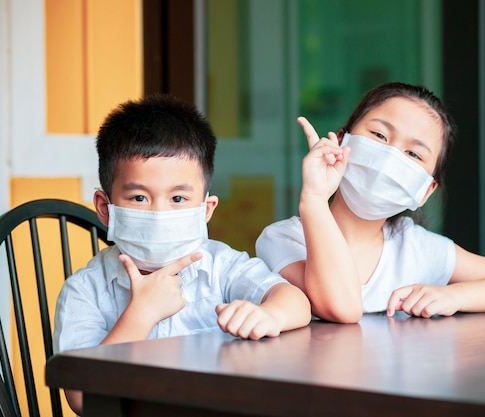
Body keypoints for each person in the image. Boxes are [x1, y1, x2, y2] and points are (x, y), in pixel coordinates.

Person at [53, 94, 311, 415]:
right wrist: (142, 313)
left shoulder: (221, 266)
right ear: (106, 208)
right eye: (138, 198)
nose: (160, 213)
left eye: (177, 198)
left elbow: (296, 301)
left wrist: (271, 314)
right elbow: (81, 399)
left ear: (206, 209)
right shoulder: (84, 290)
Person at [256, 82, 485, 324]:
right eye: (379, 135)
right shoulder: (283, 239)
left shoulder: (416, 247)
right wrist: (315, 199)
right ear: (342, 141)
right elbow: (341, 306)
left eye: (413, 154)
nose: (390, 158)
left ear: (425, 191)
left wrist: (452, 296)